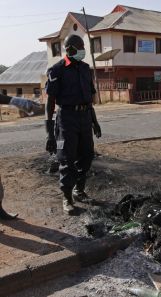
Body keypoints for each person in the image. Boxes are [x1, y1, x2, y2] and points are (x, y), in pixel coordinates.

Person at [45, 34, 102, 215]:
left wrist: (95, 122)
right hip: (67, 119)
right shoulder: (57, 70)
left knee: (87, 155)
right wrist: (49, 133)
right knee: (67, 160)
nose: (83, 50)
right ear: (69, 49)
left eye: (83, 46)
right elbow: (50, 102)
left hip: (85, 117)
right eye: (79, 47)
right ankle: (67, 197)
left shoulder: (85, 69)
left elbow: (89, 99)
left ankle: (79, 190)